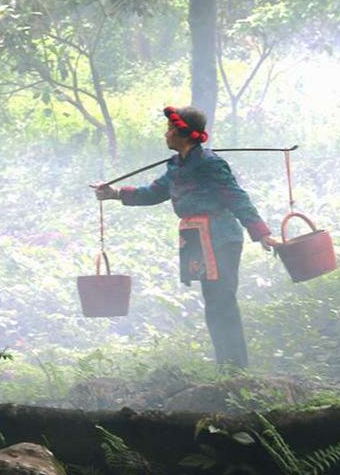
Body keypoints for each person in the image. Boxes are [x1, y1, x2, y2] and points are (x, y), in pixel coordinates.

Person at [93, 105, 279, 368]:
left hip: (222, 238)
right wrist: (114, 193)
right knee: (212, 302)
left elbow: (236, 197)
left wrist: (261, 233)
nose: (166, 134)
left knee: (222, 301)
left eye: (170, 129)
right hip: (196, 240)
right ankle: (226, 368)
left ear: (184, 133)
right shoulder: (176, 166)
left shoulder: (210, 164)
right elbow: (154, 192)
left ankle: (236, 369)